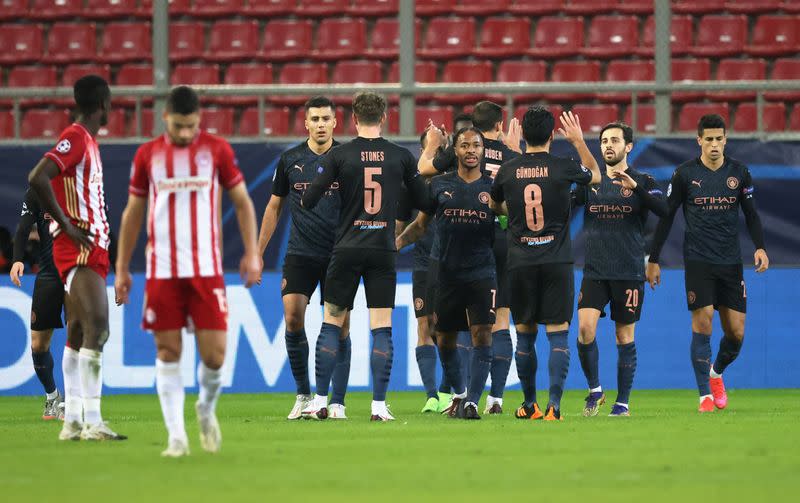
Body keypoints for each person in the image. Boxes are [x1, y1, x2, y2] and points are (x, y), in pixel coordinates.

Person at [114, 86, 260, 457]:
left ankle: (205, 409)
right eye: (178, 126)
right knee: (168, 351)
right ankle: (176, 436)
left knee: (214, 357)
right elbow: (132, 214)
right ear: (165, 118)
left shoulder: (217, 150)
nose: (184, 133)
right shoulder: (148, 155)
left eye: (191, 126)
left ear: (199, 120)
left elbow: (242, 203)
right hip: (161, 269)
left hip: (206, 269)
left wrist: (252, 253)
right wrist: (122, 267)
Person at [301, 91, 427, 421]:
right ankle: (378, 406)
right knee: (381, 328)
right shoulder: (400, 157)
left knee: (331, 323)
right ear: (384, 118)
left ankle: (318, 401)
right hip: (382, 249)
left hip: (346, 248)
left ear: (353, 119)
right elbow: (426, 202)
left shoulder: (340, 156)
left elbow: (308, 199)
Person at [646, 114, 768, 413]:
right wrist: (654, 258)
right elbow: (667, 216)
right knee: (703, 324)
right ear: (698, 140)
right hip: (698, 260)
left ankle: (716, 374)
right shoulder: (684, 174)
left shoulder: (739, 173)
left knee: (736, 334)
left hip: (730, 262)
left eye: (719, 138)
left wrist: (761, 247)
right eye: (708, 139)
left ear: (725, 140)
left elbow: (751, 215)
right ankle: (705, 397)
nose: (714, 144)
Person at [27, 75, 124, 441]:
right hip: (79, 247)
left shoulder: (90, 142)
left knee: (78, 332)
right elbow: (38, 176)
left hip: (94, 246)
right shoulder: (77, 138)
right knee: (99, 327)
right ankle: (93, 421)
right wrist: (66, 225)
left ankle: (71, 424)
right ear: (103, 103)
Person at [490, 107, 601, 421]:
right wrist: (579, 142)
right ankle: (554, 406)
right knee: (557, 334)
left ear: (523, 135)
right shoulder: (564, 167)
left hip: (520, 261)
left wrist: (512, 155)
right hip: (556, 260)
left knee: (524, 334)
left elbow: (496, 201)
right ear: (554, 134)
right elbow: (595, 176)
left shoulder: (508, 169)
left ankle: (529, 405)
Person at [418, 101, 522, 414]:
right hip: (502, 241)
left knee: (457, 327)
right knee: (499, 322)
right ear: (500, 126)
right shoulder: (510, 155)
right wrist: (515, 150)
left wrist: (436, 146)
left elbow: (424, 169)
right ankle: (496, 398)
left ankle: (462, 394)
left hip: (463, 243)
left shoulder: (459, 151)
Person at [256, 96, 351, 420]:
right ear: (306, 123)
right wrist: (258, 253)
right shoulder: (290, 159)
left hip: (340, 254)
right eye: (316, 119)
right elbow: (274, 206)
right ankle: (302, 394)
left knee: (340, 329)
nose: (321, 124)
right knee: (293, 318)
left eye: (326, 118)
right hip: (300, 251)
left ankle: (337, 401)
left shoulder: (347, 158)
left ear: (335, 122)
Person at [397, 127, 497, 420]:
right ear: (454, 151)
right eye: (464, 145)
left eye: (476, 145)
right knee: (444, 338)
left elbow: (511, 218)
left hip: (482, 272)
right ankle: (459, 395)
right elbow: (420, 226)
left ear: (483, 151)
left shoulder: (493, 188)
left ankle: (472, 402)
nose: (470, 150)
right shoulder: (439, 186)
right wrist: (397, 243)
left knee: (482, 334)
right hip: (445, 273)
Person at [572, 122, 668, 417]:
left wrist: (635, 187)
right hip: (595, 270)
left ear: (628, 146)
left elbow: (665, 211)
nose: (608, 145)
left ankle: (622, 402)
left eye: (614, 140)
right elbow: (563, 205)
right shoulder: (592, 183)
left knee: (624, 337)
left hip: (628, 271)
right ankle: (595, 391)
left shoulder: (644, 180)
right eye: (603, 141)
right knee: (585, 330)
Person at [395, 131, 443, 413]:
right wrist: (392, 245)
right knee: (425, 326)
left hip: (454, 264)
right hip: (424, 263)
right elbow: (400, 224)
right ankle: (432, 396)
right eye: (432, 148)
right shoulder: (410, 185)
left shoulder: (455, 178)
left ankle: (452, 391)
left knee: (450, 328)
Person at [9, 189, 65, 420]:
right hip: (49, 274)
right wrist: (17, 260)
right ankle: (53, 396)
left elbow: (103, 229)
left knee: (81, 339)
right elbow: (23, 228)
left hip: (78, 272)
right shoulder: (38, 190)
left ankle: (74, 401)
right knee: (38, 345)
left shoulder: (83, 185)